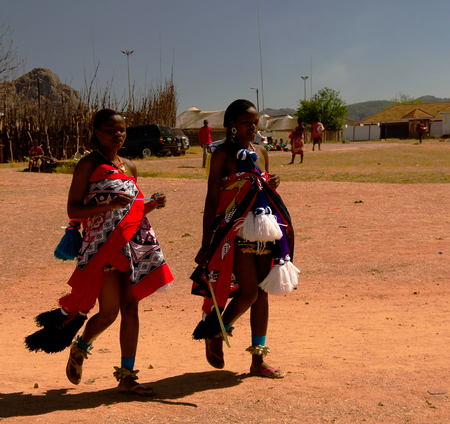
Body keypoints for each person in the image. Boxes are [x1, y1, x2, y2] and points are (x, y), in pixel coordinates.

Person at [25, 109, 173, 395]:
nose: (117, 134)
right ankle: (80, 347)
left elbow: (133, 207)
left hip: (132, 245)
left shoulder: (129, 166)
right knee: (109, 313)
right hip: (101, 248)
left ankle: (127, 376)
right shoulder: (87, 165)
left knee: (131, 307)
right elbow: (73, 209)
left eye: (121, 130)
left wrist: (152, 204)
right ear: (96, 132)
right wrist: (110, 205)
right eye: (110, 129)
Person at [191, 99, 299, 379]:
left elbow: (259, 183)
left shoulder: (261, 152)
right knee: (249, 292)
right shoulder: (222, 155)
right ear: (231, 126)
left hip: (264, 230)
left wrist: (270, 183)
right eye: (246, 122)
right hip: (234, 232)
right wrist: (206, 242)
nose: (253, 127)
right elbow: (213, 197)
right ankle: (216, 331)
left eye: (255, 122)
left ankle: (258, 360)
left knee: (262, 292)